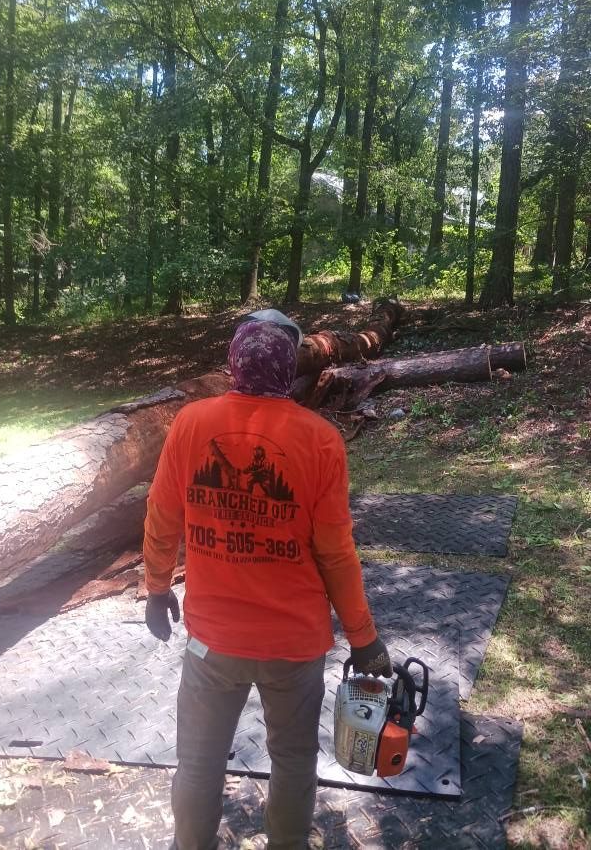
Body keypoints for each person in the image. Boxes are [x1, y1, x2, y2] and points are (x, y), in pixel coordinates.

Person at [143, 315, 391, 850]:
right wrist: (364, 638)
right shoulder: (321, 439)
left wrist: (157, 588)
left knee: (199, 763)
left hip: (213, 643)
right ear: (288, 369)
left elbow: (163, 516)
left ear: (235, 363)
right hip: (294, 647)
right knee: (294, 759)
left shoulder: (190, 424)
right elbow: (337, 554)